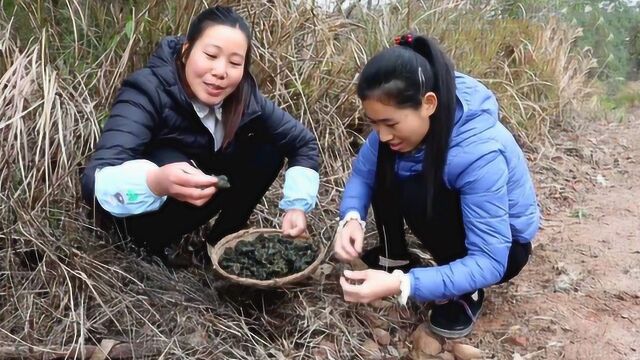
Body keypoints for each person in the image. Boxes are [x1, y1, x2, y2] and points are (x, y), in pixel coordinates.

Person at [333, 34, 540, 338]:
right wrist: (351, 217)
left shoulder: (479, 151)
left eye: (390, 124)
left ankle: (465, 292)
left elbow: (490, 260)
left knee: (418, 188)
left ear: (428, 104)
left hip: (505, 249)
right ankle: (395, 257)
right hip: (457, 220)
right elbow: (364, 175)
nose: (382, 134)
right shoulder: (391, 130)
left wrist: (404, 284)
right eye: (374, 123)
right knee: (386, 162)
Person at [80, 6, 319, 266]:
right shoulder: (148, 90)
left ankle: (219, 248)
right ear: (186, 51)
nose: (220, 71)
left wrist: (297, 206)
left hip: (203, 197)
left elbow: (303, 143)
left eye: (235, 63)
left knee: (268, 148)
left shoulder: (245, 98)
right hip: (142, 215)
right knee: (167, 157)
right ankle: (148, 247)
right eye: (210, 55)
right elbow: (95, 180)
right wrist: (155, 181)